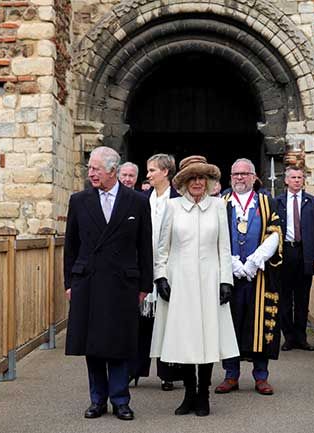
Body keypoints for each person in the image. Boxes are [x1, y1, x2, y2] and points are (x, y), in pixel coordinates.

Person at [64, 146, 153, 421]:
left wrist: (144, 286)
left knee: (119, 342)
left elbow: (144, 245)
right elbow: (71, 246)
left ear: (112, 171)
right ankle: (97, 399)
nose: (91, 173)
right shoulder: (78, 201)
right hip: (88, 280)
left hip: (122, 283)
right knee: (93, 344)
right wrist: (69, 283)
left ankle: (121, 400)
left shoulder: (136, 201)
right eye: (89, 168)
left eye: (96, 169)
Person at [150, 155, 239, 417]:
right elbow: (162, 248)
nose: (198, 182)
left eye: (202, 178)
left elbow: (224, 247)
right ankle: (189, 393)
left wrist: (226, 280)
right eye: (193, 178)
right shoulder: (173, 207)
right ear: (184, 182)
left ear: (209, 181)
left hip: (211, 280)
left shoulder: (218, 207)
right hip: (181, 282)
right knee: (185, 338)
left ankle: (204, 394)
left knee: (208, 337)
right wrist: (161, 277)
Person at [215, 158, 282, 396]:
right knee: (230, 324)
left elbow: (275, 233)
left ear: (254, 177)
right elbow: (215, 236)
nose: (240, 178)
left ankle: (261, 376)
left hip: (258, 275)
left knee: (259, 324)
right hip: (230, 274)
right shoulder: (220, 203)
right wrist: (233, 263)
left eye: (245, 174)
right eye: (235, 174)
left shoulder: (266, 201)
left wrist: (255, 261)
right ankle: (230, 375)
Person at [130, 153, 181, 391]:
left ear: (165, 172)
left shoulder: (178, 200)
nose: (148, 174)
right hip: (143, 266)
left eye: (152, 170)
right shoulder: (141, 199)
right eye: (147, 170)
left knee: (167, 322)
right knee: (141, 321)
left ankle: (167, 373)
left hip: (169, 267)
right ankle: (135, 369)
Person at [276, 165, 314, 351]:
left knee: (303, 298)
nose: (297, 180)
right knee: (285, 298)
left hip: (305, 253)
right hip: (286, 252)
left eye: (300, 177)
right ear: (286, 180)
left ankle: (301, 337)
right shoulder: (278, 201)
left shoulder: (312, 202)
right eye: (293, 177)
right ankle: (288, 337)